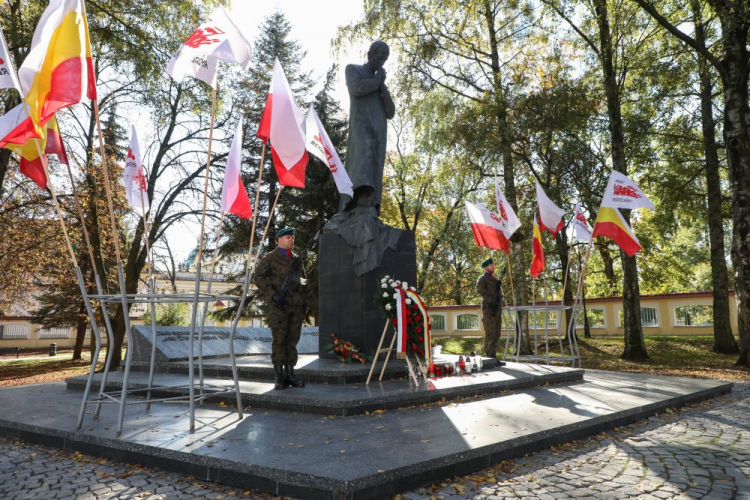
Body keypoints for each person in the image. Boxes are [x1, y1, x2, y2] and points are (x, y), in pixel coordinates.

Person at [342, 40, 396, 215]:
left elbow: (391, 111)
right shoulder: (353, 69)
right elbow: (357, 88)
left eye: (384, 58)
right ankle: (359, 196)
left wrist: (381, 86)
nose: (380, 60)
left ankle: (372, 201)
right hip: (361, 124)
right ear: (370, 54)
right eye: (378, 56)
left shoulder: (380, 84)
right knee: (364, 151)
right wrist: (376, 81)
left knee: (375, 162)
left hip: (379, 130)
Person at [254, 227, 307, 390]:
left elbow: (305, 281)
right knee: (279, 340)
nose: (291, 240)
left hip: (295, 306)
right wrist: (272, 294)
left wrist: (303, 300)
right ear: (279, 240)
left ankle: (291, 375)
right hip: (278, 306)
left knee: (292, 340)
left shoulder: (298, 260)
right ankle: (279, 377)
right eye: (288, 237)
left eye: (292, 237)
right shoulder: (270, 258)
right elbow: (258, 277)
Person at [476, 258, 505, 367]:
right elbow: (479, 290)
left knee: (497, 333)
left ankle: (493, 357)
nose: (493, 266)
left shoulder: (495, 279)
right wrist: (490, 299)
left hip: (497, 309)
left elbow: (497, 293)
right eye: (490, 265)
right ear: (485, 267)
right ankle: (489, 358)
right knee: (490, 334)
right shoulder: (482, 278)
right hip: (489, 309)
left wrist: (499, 298)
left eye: (493, 264)